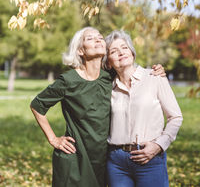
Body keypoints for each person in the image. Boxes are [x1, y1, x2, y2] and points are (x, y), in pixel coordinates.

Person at [30, 27, 165, 187]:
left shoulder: (110, 78)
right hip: (74, 158)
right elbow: (37, 105)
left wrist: (155, 71)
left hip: (103, 160)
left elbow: (130, 71)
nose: (98, 40)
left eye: (100, 37)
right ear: (80, 50)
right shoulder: (68, 80)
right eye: (90, 38)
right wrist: (53, 139)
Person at [103, 30, 183, 187]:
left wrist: (159, 145)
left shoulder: (154, 78)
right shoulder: (108, 88)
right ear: (108, 62)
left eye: (124, 48)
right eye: (113, 51)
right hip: (116, 163)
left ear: (132, 53)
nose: (121, 52)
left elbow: (175, 117)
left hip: (149, 158)